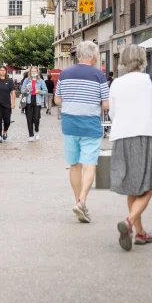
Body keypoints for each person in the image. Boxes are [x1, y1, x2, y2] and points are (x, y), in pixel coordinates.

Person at [108, 44, 152, 251]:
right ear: (143, 59)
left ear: (123, 60)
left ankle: (140, 233)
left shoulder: (116, 83)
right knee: (147, 187)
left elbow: (112, 113)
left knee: (132, 187)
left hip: (122, 136)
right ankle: (128, 222)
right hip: (147, 134)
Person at [55, 41, 109, 224]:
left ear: (78, 56)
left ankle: (77, 201)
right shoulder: (99, 75)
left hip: (69, 125)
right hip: (90, 125)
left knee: (74, 164)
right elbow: (106, 105)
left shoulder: (65, 73)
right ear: (94, 57)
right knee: (89, 164)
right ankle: (82, 202)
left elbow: (57, 100)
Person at [22, 67, 47, 141]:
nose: (33, 72)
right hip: (28, 101)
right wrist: (26, 89)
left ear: (37, 72)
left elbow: (45, 91)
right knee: (29, 119)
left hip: (37, 101)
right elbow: (22, 91)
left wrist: (39, 91)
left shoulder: (41, 81)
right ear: (30, 72)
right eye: (32, 71)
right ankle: (31, 135)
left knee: (36, 118)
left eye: (35, 71)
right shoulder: (26, 80)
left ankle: (36, 130)